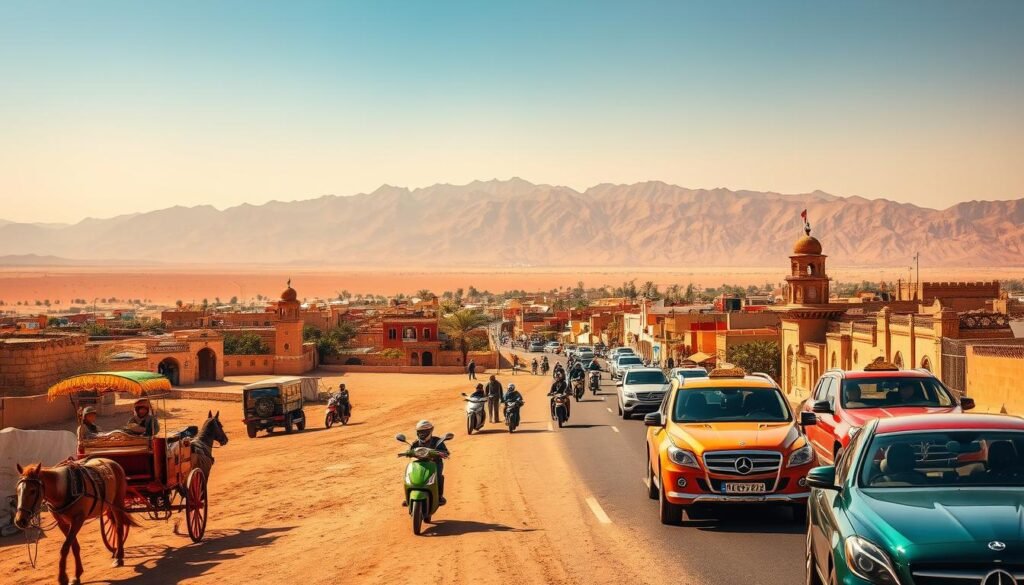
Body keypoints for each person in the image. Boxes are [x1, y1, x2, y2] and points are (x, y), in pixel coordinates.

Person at [409, 420, 449, 505]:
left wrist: (442, 453)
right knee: (410, 476)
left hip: (435, 463)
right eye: (420, 431)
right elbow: (410, 451)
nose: (422, 434)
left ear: (431, 430)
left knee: (438, 477)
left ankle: (439, 496)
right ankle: (408, 496)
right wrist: (408, 453)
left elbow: (446, 452)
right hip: (419, 464)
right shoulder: (416, 443)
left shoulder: (437, 441)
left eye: (425, 431)